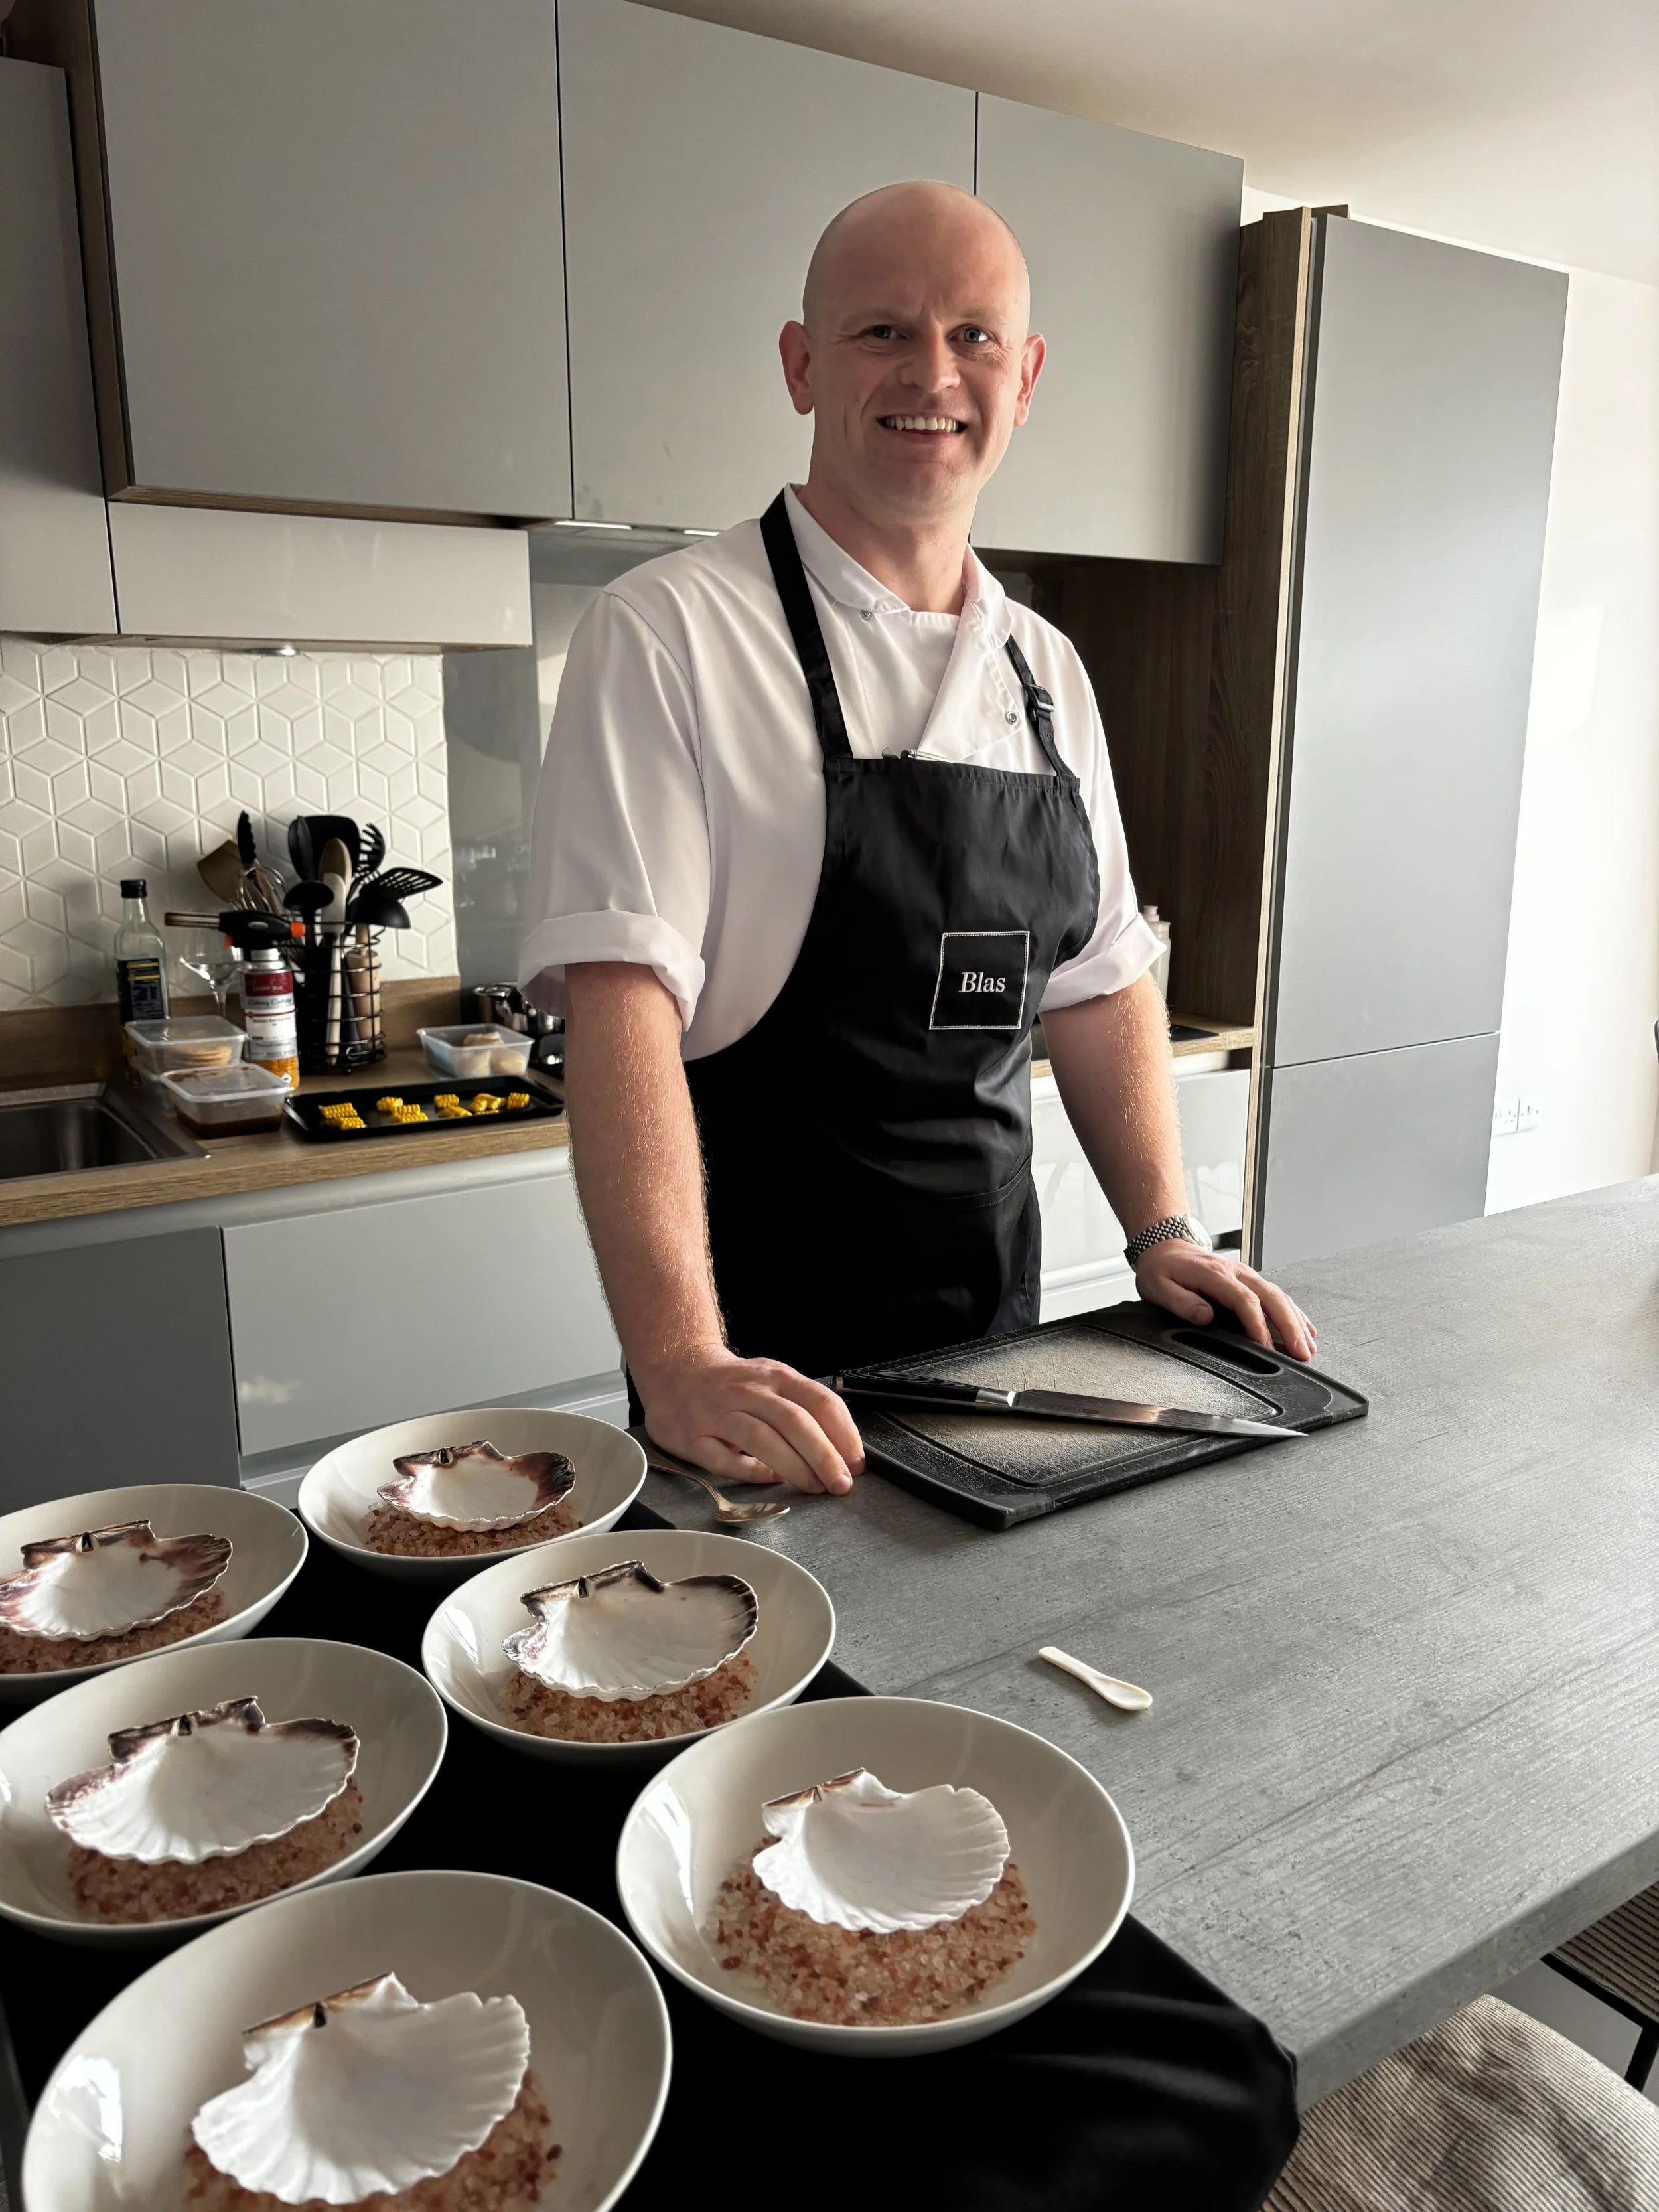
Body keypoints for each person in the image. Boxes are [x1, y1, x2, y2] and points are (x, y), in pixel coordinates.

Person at [522, 179, 1315, 1497]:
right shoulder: (670, 630)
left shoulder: (1045, 668)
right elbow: (621, 1007)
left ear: (1025, 376)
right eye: (882, 331)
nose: (932, 374)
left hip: (1000, 1349)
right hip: (759, 1372)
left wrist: (1163, 1231)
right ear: (801, 364)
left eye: (973, 336)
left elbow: (1101, 980)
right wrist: (678, 1356)